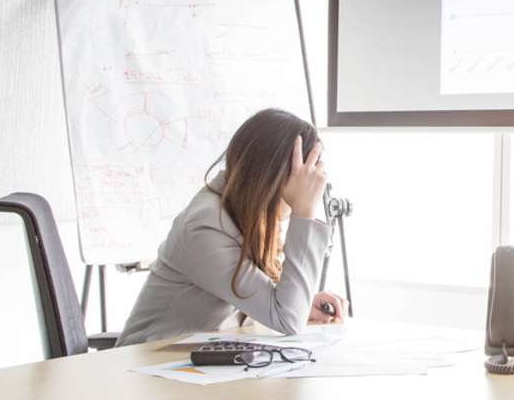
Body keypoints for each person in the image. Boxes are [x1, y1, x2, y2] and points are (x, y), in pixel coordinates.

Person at [117, 109, 346, 346]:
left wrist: (302, 302)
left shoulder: (249, 214)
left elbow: (271, 305)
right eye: (306, 173)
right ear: (276, 174)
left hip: (195, 364)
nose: (313, 183)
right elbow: (288, 319)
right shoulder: (205, 225)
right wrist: (304, 212)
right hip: (144, 367)